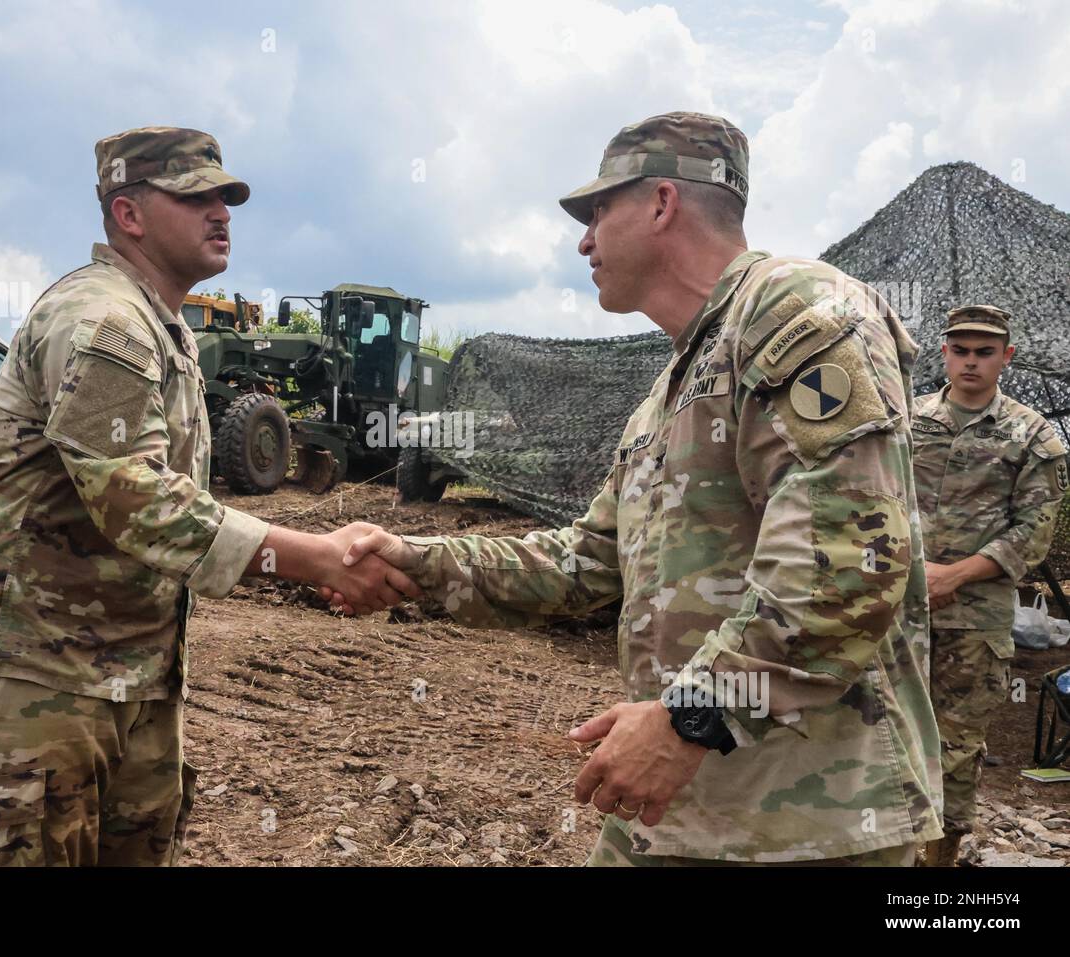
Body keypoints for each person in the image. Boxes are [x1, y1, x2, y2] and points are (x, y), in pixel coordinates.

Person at [336, 111, 943, 865]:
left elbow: (848, 562)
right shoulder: (668, 393)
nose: (584, 241)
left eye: (597, 212)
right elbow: (587, 560)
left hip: (808, 824)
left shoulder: (798, 309)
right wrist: (414, 559)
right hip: (680, 804)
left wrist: (688, 718)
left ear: (661, 203)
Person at [0, 126, 419, 866]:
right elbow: (134, 497)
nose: (221, 212)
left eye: (226, 198)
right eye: (194, 197)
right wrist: (317, 558)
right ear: (129, 214)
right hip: (44, 683)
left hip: (130, 679)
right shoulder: (103, 319)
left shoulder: (162, 328)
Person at [912, 304, 1068, 866]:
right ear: (945, 353)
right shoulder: (907, 421)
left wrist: (954, 575)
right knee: (879, 733)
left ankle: (938, 864)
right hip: (897, 610)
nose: (971, 362)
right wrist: (909, 572)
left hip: (975, 620)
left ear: (1007, 357)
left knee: (956, 743)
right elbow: (873, 499)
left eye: (984, 352)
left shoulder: (1034, 435)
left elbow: (1033, 531)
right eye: (960, 350)